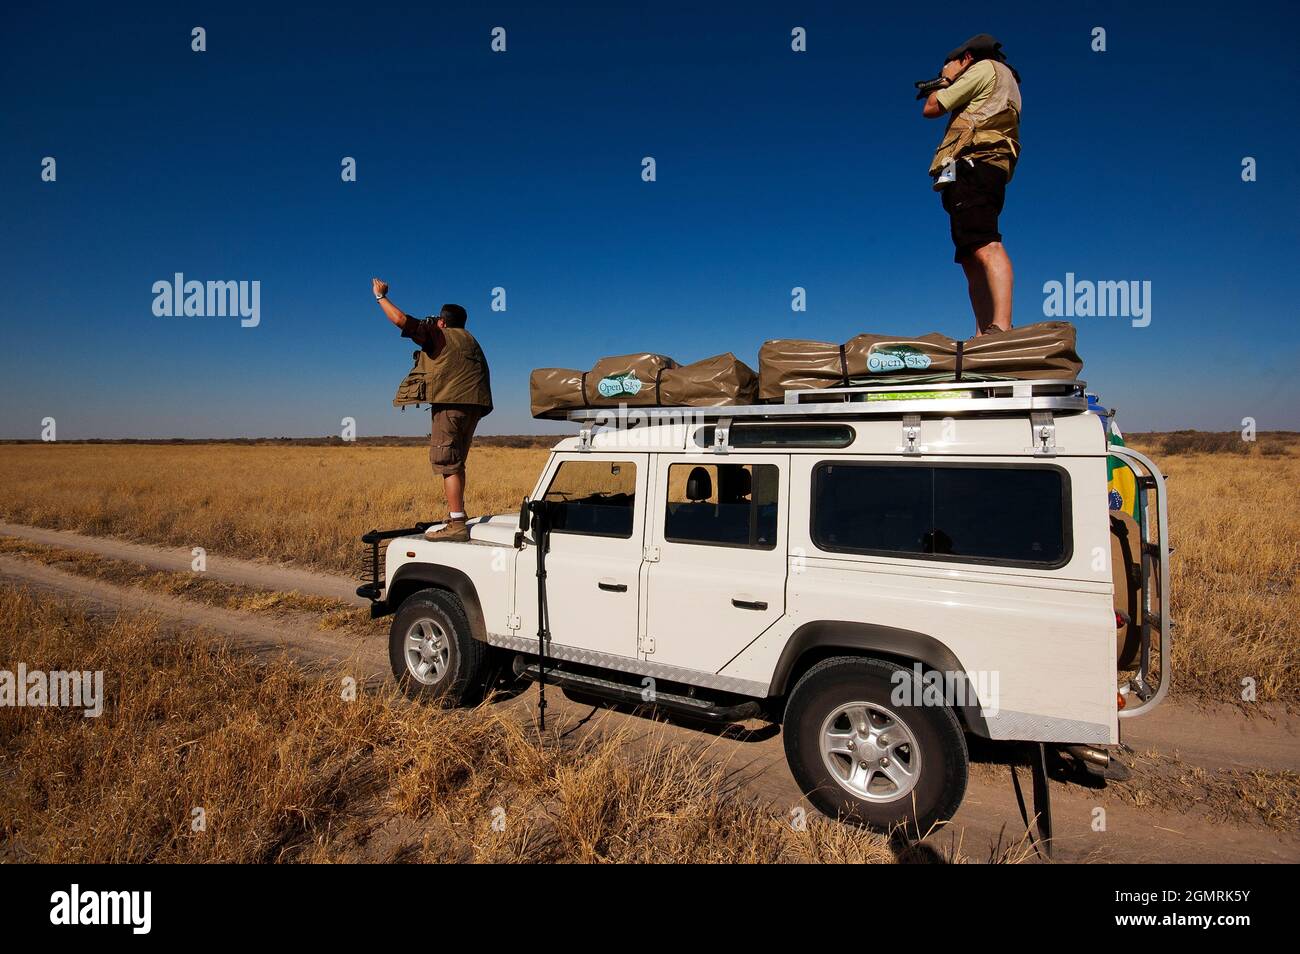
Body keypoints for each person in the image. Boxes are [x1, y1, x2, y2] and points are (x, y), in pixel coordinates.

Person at [372, 278, 492, 542]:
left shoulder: (440, 335)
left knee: (446, 462)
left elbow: (401, 320)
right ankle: (456, 514)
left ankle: (457, 523)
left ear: (442, 321)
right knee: (457, 461)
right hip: (474, 406)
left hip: (450, 405)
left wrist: (380, 297)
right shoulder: (470, 340)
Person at [921, 33, 1022, 336]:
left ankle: (1001, 327)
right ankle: (982, 333)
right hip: (971, 169)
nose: (947, 69)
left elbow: (932, 108)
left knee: (986, 244)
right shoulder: (1000, 76)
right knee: (970, 255)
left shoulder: (983, 68)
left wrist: (944, 80)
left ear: (966, 58)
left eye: (950, 64)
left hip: (975, 166)